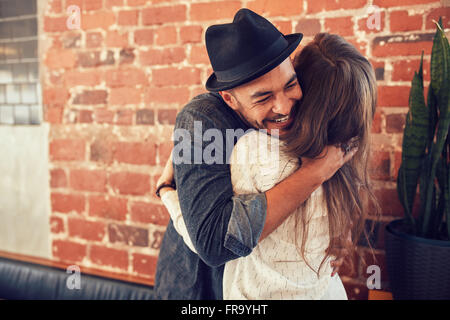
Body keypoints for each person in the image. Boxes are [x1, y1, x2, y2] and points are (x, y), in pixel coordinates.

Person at [154, 9, 357, 300]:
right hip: (201, 287)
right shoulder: (202, 119)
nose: (284, 107)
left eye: (290, 84)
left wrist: (342, 224)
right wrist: (315, 173)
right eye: (263, 97)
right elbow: (213, 243)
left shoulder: (302, 102)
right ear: (229, 98)